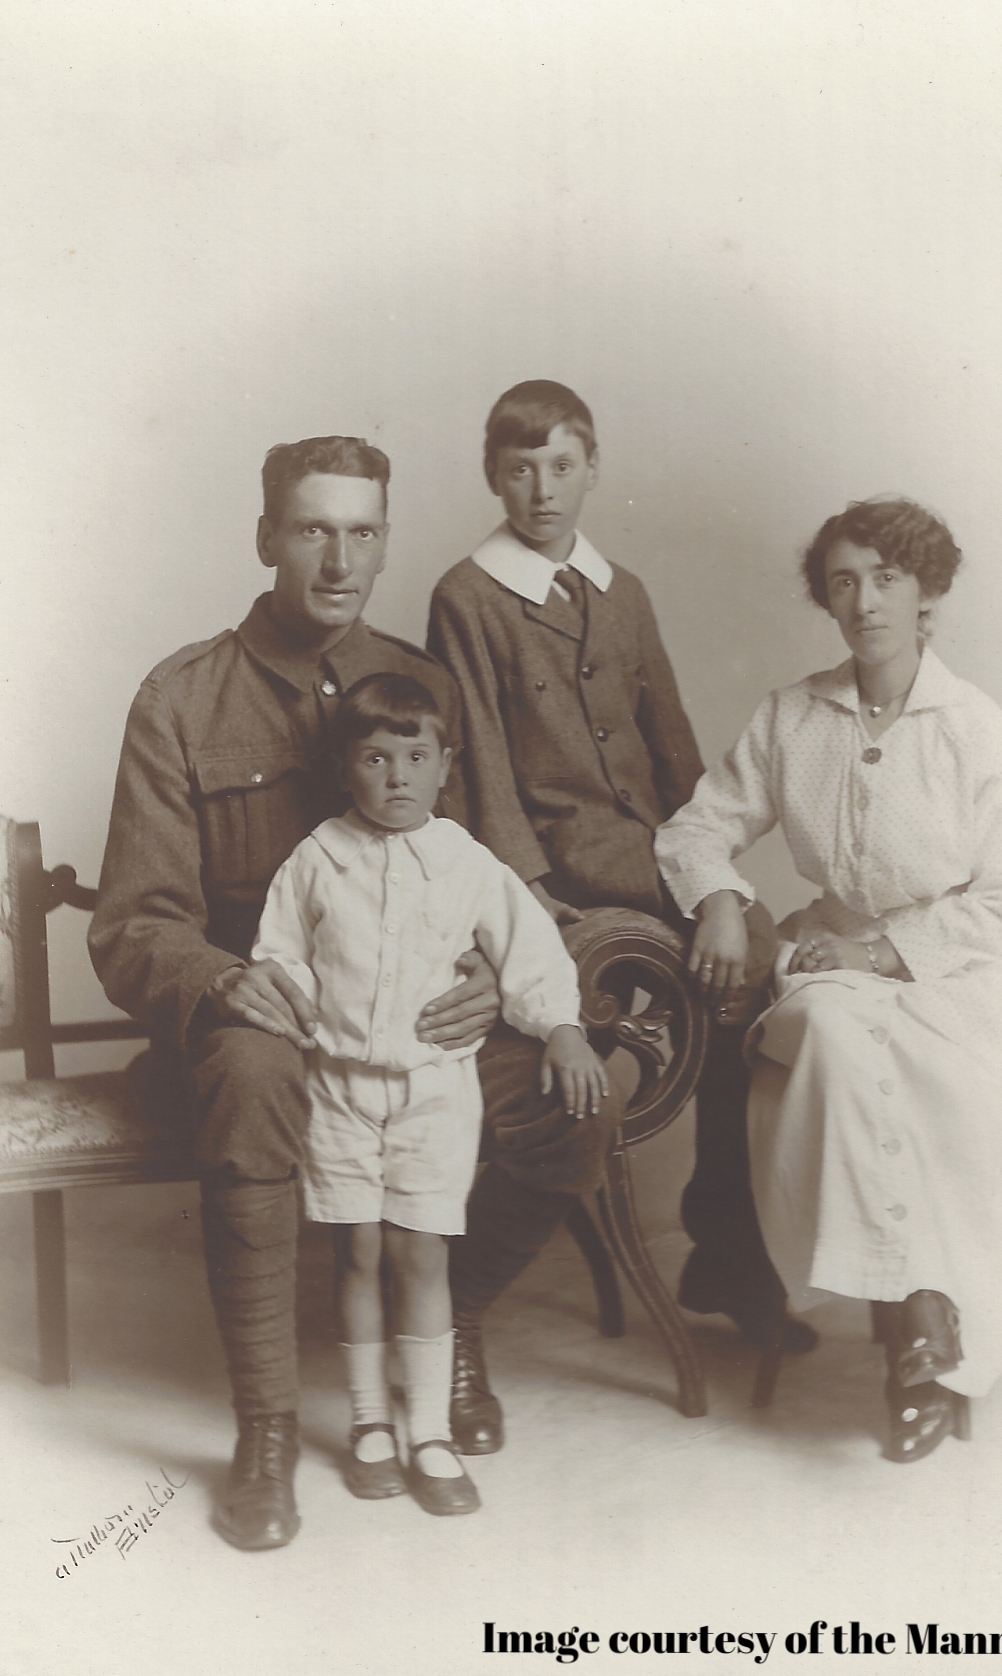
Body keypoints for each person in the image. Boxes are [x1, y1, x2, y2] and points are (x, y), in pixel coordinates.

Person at [88, 436, 627, 1551]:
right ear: (266, 538)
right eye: (313, 529)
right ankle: (269, 1431)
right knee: (249, 1075)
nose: (340, 558)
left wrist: (487, 975)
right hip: (270, 1019)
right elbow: (133, 924)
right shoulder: (182, 696)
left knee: (581, 1109)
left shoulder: (419, 683)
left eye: (364, 531)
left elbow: (477, 862)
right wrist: (226, 981)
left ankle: (452, 1318)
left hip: (424, 1019)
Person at [656, 497, 1002, 1462]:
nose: (865, 602)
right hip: (832, 967)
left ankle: (919, 1324)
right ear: (828, 599)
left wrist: (884, 956)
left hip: (962, 970)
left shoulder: (977, 730)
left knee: (933, 1079)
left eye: (886, 579)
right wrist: (720, 897)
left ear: (927, 594)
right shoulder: (792, 715)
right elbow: (696, 828)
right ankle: (915, 1314)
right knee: (831, 1035)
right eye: (844, 582)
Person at [427, 380, 813, 1404]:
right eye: (517, 468)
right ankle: (712, 1244)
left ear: (591, 466)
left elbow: (676, 751)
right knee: (722, 977)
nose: (539, 489)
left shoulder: (622, 588)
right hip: (557, 866)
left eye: (559, 465)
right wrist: (531, 895)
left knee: (758, 965)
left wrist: (714, 878)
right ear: (491, 475)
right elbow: (478, 769)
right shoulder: (466, 596)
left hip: (653, 854)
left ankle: (725, 1242)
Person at [252, 673, 607, 1515]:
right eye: (376, 758)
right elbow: (280, 954)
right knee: (359, 1252)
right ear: (347, 768)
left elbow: (528, 954)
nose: (397, 777)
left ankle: (430, 1432)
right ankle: (371, 1424)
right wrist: (291, 1002)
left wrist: (559, 1025)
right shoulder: (317, 859)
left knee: (421, 1253)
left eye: (416, 757)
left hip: (433, 1091)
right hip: (339, 1088)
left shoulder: (467, 862)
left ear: (446, 764)